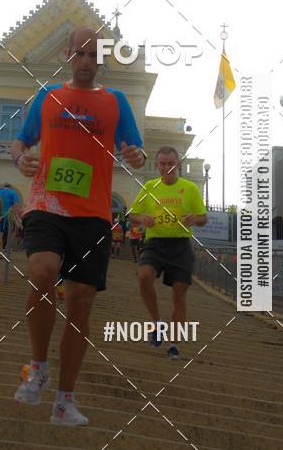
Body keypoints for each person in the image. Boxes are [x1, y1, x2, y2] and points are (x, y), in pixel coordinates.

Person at [11, 26, 144, 425]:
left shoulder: (117, 102)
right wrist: (20, 159)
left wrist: (136, 155)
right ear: (65, 54)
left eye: (93, 55)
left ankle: (64, 399)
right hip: (46, 204)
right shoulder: (48, 96)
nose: (85, 62)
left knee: (80, 302)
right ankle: (37, 367)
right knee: (42, 272)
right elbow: (21, 142)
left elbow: (134, 148)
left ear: (103, 58)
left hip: (93, 213)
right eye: (79, 54)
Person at [130, 146, 207, 359]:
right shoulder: (149, 187)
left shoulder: (190, 188)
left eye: (171, 163)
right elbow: (133, 214)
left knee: (180, 292)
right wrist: (142, 219)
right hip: (155, 243)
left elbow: (203, 217)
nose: (167, 167)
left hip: (181, 245)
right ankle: (157, 322)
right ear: (156, 166)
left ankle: (174, 344)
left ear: (178, 165)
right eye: (162, 164)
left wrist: (194, 219)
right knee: (144, 275)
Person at [0, 182, 21, 255]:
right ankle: (7, 247)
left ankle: (0, 250)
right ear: (10, 188)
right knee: (11, 231)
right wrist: (17, 217)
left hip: (0, 216)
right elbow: (16, 205)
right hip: (9, 216)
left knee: (0, 232)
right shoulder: (13, 193)